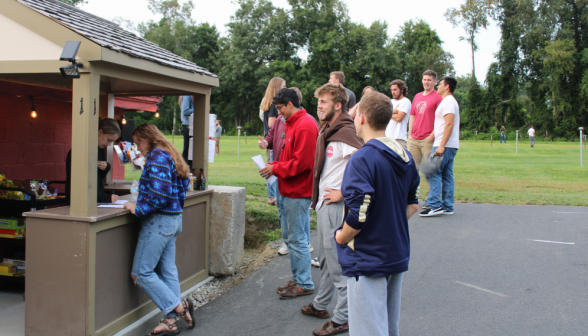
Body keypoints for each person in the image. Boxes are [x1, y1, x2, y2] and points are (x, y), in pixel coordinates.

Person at [335, 91, 420, 336]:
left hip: (368, 257)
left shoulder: (362, 158)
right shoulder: (405, 156)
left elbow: (359, 212)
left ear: (361, 118)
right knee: (388, 327)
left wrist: (342, 236)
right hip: (395, 252)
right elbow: (412, 205)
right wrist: (388, 222)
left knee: (368, 330)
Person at [302, 82, 363, 336]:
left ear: (338, 105)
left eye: (324, 102)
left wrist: (344, 192)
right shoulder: (329, 129)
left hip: (336, 206)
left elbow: (362, 165)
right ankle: (321, 304)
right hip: (324, 204)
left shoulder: (345, 132)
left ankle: (342, 319)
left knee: (337, 263)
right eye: (318, 102)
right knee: (326, 258)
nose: (319, 106)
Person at [123, 124, 195, 336]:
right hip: (173, 220)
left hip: (158, 222)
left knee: (141, 274)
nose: (138, 147)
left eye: (139, 142)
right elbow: (181, 187)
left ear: (148, 138)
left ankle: (179, 308)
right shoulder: (170, 153)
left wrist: (138, 208)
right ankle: (171, 321)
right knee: (167, 271)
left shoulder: (157, 156)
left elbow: (159, 194)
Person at [259, 88, 318, 299]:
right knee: (291, 238)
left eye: (280, 108)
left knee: (298, 239)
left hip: (298, 191)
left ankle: (304, 283)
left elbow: (302, 164)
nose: (278, 114)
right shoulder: (290, 123)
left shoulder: (306, 125)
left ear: (290, 104)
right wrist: (273, 165)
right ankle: (298, 279)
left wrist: (275, 168)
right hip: (285, 189)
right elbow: (286, 156)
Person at [420, 76, 460, 217]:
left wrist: (441, 145)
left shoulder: (448, 102)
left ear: (447, 86)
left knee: (433, 172)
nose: (438, 86)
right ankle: (447, 206)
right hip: (451, 145)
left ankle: (434, 205)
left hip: (445, 145)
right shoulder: (449, 101)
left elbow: (449, 124)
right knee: (447, 175)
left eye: (440, 84)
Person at [408, 70, 443, 209]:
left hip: (428, 138)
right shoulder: (417, 96)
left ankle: (430, 199)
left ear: (435, 81)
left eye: (429, 80)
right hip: (414, 138)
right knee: (411, 169)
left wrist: (433, 135)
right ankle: (410, 197)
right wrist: (410, 133)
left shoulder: (437, 97)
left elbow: (441, 118)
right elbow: (412, 115)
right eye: (424, 79)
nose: (426, 82)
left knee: (429, 170)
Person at [65, 118, 121, 205]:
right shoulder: (79, 151)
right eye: (109, 140)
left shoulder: (100, 149)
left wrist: (106, 167)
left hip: (95, 200)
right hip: (79, 204)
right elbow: (80, 185)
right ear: (100, 132)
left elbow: (98, 178)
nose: (109, 144)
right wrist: (104, 198)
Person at [260, 77, 286, 205]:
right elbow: (271, 123)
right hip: (273, 140)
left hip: (268, 139)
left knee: (269, 167)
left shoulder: (266, 101)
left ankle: (271, 195)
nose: (285, 88)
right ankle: (272, 196)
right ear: (277, 88)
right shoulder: (273, 104)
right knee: (272, 167)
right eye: (283, 86)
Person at [385, 79, 412, 150]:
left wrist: (388, 112)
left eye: (395, 90)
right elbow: (382, 115)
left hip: (399, 139)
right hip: (387, 138)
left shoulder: (405, 101)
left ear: (402, 90)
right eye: (392, 90)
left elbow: (399, 118)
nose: (393, 92)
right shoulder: (390, 101)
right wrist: (394, 111)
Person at [179, 95, 194, 164]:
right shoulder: (187, 95)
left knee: (190, 153)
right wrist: (199, 107)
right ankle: (184, 170)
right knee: (187, 153)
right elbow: (185, 111)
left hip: (191, 127)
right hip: (187, 127)